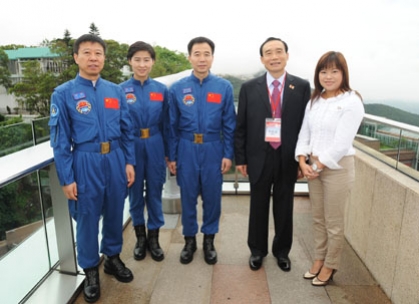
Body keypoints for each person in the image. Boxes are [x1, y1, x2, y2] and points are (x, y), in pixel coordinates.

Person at [48, 34, 135, 303]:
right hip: (84, 161)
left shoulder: (115, 91)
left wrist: (129, 161)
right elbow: (60, 141)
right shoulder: (63, 94)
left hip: (116, 158)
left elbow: (127, 129)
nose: (93, 58)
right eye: (87, 53)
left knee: (113, 212)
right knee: (86, 218)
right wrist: (66, 178)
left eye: (98, 53)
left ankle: (112, 258)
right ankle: (90, 270)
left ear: (104, 58)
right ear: (76, 57)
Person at [235, 37, 311, 272]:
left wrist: (303, 160)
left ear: (287, 56)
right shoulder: (249, 88)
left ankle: (282, 252)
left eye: (279, 51)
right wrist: (241, 159)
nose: (274, 56)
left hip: (288, 157)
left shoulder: (301, 86)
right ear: (262, 59)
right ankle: (257, 251)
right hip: (258, 156)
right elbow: (241, 126)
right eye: (269, 53)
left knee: (284, 206)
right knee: (257, 206)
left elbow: (306, 126)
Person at [295, 51, 364, 286]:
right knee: (317, 218)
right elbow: (305, 132)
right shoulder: (315, 100)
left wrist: (316, 165)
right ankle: (318, 258)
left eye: (335, 71)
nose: (329, 76)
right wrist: (302, 160)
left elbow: (342, 143)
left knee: (333, 221)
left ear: (343, 73)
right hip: (313, 165)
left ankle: (330, 264)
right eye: (324, 71)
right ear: (318, 75)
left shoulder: (351, 101)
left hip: (337, 167)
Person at [168, 37, 236, 265]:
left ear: (212, 58)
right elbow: (172, 125)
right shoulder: (177, 88)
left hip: (213, 148)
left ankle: (209, 240)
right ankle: (189, 240)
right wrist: (172, 156)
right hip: (186, 148)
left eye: (206, 54)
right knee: (187, 197)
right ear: (189, 57)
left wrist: (228, 154)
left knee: (212, 197)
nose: (202, 59)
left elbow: (229, 124)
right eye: (197, 54)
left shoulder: (223, 87)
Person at [119, 41, 168, 262]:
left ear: (152, 62)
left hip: (156, 144)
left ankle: (154, 238)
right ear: (130, 62)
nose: (142, 64)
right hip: (132, 145)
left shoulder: (161, 90)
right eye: (137, 59)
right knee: (135, 193)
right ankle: (140, 238)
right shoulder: (120, 90)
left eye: (146, 59)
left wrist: (170, 154)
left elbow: (168, 124)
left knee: (156, 191)